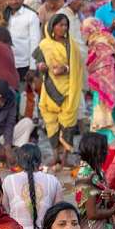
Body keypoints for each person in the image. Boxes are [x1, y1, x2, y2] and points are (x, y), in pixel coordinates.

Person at [37, 13, 84, 165]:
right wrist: (42, 67)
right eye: (60, 25)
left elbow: (78, 66)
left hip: (68, 89)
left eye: (65, 25)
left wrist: (66, 68)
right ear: (52, 26)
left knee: (68, 123)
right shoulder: (44, 44)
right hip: (50, 89)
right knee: (51, 123)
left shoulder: (72, 45)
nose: (63, 28)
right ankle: (55, 155)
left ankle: (65, 158)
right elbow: (39, 63)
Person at [80, 17, 115, 143]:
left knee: (103, 116)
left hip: (104, 87)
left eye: (85, 30)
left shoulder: (99, 43)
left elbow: (101, 65)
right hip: (114, 85)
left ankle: (106, 147)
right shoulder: (107, 38)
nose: (83, 33)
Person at [2, 143, 64, 229]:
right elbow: (60, 215)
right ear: (40, 161)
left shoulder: (9, 180)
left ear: (18, 161)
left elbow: (4, 214)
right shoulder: (53, 180)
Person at [75, 132, 115, 229]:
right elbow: (92, 213)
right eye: (105, 150)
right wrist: (113, 210)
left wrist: (112, 198)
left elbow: (102, 200)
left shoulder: (98, 172)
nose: (107, 153)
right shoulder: (86, 176)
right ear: (97, 152)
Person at [6, 0, 41, 82]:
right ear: (7, 0)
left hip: (23, 65)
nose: (14, 1)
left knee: (23, 95)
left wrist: (33, 67)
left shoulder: (31, 16)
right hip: (6, 63)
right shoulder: (4, 15)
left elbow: (35, 41)